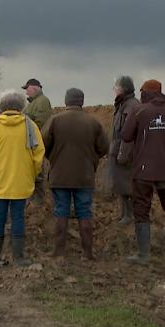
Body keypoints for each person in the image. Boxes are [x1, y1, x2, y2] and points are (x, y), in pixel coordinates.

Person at [121, 79, 165, 265]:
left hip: (143, 173)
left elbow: (126, 136)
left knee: (141, 211)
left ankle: (143, 255)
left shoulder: (139, 111)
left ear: (146, 93)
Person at [0, 90, 45, 268]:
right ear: (21, 105)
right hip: (21, 182)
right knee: (18, 218)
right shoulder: (30, 126)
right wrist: (31, 173)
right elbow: (38, 155)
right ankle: (19, 258)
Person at [42, 88, 109, 260]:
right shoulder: (93, 123)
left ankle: (59, 252)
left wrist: (53, 158)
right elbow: (104, 148)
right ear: (82, 102)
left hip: (60, 176)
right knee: (84, 212)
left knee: (61, 212)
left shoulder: (54, 121)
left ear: (66, 101)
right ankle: (87, 253)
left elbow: (42, 145)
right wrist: (91, 158)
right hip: (84, 176)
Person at [109, 75, 140, 226]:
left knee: (128, 186)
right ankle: (125, 214)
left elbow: (129, 136)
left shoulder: (131, 106)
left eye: (115, 87)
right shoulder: (123, 105)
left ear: (123, 89)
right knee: (122, 186)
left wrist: (122, 155)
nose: (113, 90)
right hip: (119, 153)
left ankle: (130, 215)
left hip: (126, 155)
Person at [22, 78, 53, 202]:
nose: (26, 93)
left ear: (34, 88)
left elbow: (41, 123)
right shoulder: (34, 103)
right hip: (31, 143)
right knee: (32, 172)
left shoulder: (42, 102)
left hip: (35, 143)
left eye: (27, 89)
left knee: (37, 172)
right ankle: (34, 199)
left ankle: (38, 201)